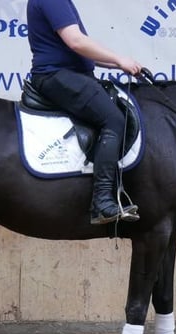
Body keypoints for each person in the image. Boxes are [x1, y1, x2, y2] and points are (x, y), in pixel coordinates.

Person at [26, 0, 143, 224]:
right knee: (114, 120)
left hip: (68, 74)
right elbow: (76, 41)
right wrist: (119, 59)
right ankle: (102, 202)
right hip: (56, 75)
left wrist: (119, 64)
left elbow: (84, 53)